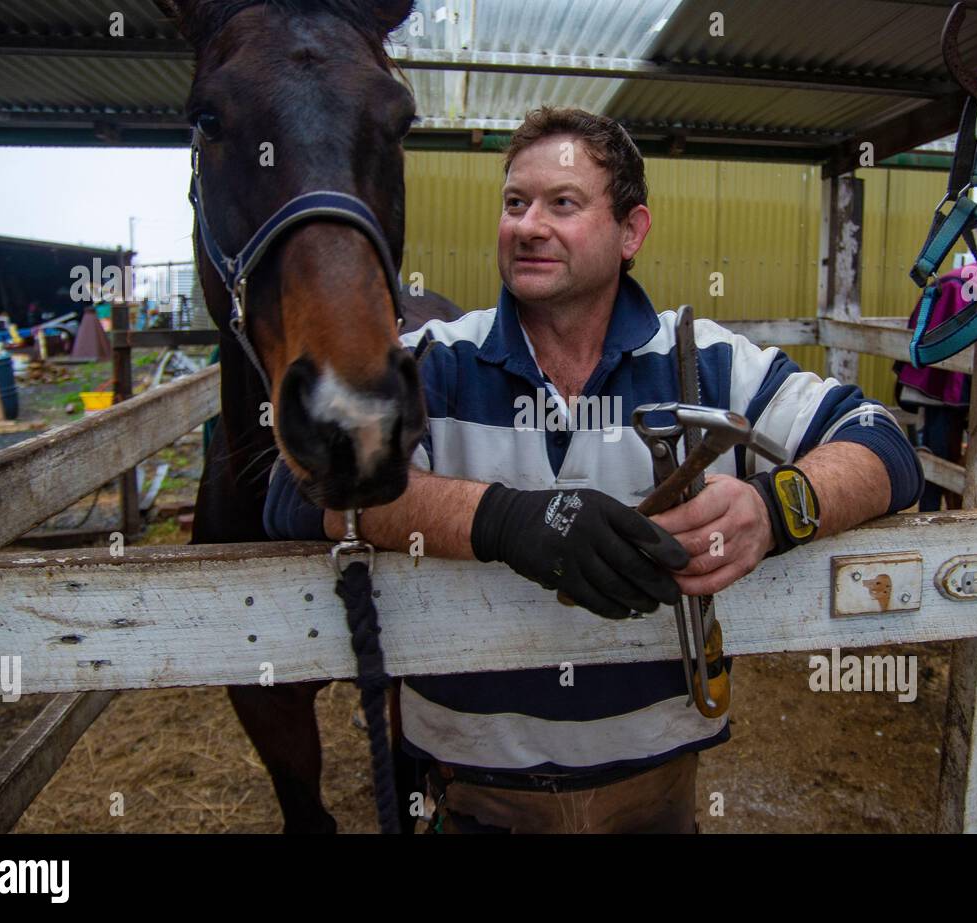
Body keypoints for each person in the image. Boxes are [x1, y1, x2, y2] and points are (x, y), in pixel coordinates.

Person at [264, 106, 923, 833]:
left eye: (563, 203)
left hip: (655, 792)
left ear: (631, 231)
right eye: (515, 203)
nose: (527, 225)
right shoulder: (437, 361)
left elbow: (882, 443)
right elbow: (295, 495)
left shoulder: (705, 364)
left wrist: (775, 510)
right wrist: (502, 519)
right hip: (477, 796)